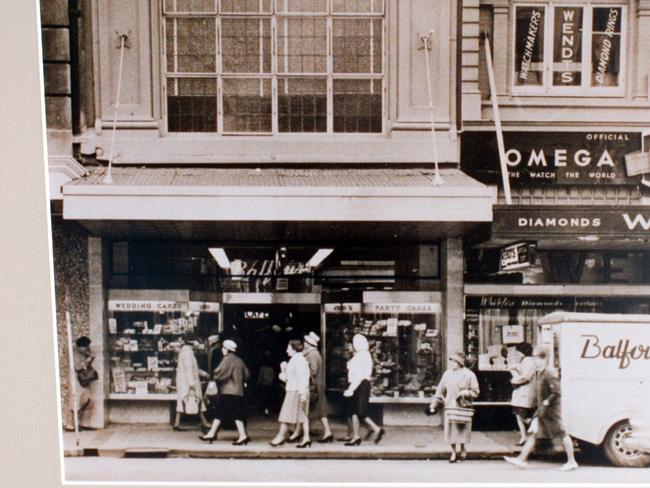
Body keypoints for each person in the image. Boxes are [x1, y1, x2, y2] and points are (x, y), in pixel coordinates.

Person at [504, 346, 579, 472]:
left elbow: (556, 392)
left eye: (537, 359)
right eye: (534, 359)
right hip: (544, 410)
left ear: (544, 359)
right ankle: (522, 459)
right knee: (534, 434)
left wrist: (546, 402)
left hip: (552, 412)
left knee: (562, 434)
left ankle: (572, 461)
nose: (535, 362)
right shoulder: (542, 373)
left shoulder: (549, 373)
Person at [428, 351, 479, 462]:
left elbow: (476, 392)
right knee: (451, 431)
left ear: (460, 363)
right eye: (450, 361)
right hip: (450, 406)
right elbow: (439, 391)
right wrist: (433, 405)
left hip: (463, 405)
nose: (451, 363)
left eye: (454, 361)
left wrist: (465, 392)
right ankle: (453, 453)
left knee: (462, 429)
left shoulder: (469, 375)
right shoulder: (447, 374)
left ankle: (462, 447)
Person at [199, 339, 251, 445]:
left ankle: (242, 436)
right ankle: (212, 434)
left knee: (227, 413)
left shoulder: (227, 359)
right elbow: (247, 375)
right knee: (224, 413)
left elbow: (219, 373)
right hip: (238, 391)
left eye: (223, 348)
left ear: (227, 350)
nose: (222, 350)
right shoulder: (239, 360)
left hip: (228, 391)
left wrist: (214, 377)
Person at [288, 332, 334, 443]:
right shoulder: (314, 353)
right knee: (317, 410)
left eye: (305, 342)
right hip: (317, 385)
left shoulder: (312, 354)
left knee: (303, 409)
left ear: (309, 344)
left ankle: (297, 433)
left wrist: (302, 371)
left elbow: (313, 370)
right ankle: (326, 432)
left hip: (314, 386)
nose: (304, 344)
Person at [342, 334, 384, 446]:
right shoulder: (364, 354)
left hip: (359, 385)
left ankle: (357, 436)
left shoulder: (361, 356)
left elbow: (359, 375)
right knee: (356, 411)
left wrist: (351, 389)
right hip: (361, 384)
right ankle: (373, 430)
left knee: (356, 411)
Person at [270, 340, 311, 448]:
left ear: (294, 349)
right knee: (301, 415)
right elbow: (290, 378)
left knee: (286, 415)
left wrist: (302, 393)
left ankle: (280, 437)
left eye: (288, 348)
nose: (286, 350)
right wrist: (282, 372)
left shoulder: (299, 361)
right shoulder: (296, 360)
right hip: (295, 390)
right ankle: (306, 438)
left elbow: (303, 378)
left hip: (295, 391)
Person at [173, 334, 211, 431]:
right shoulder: (187, 354)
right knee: (196, 400)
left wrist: (204, 374)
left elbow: (193, 368)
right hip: (187, 382)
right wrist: (191, 384)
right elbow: (189, 369)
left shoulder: (186, 352)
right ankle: (204, 422)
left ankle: (177, 423)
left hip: (184, 381)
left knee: (184, 401)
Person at [509, 342, 538, 446]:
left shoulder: (528, 361)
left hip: (525, 392)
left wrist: (514, 380)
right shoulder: (528, 361)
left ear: (522, 352)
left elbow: (525, 377)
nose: (517, 355)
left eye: (518, 353)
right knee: (519, 415)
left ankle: (537, 429)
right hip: (524, 393)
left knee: (522, 416)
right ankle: (524, 436)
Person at [64, 336, 95, 431]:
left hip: (84, 380)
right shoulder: (75, 354)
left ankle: (83, 422)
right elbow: (77, 367)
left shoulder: (84, 353)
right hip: (77, 380)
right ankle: (71, 424)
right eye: (85, 347)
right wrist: (87, 360)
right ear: (80, 346)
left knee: (87, 400)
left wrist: (90, 357)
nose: (87, 348)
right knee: (76, 401)